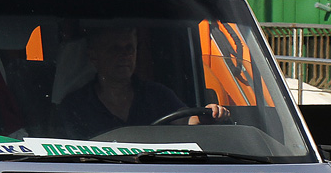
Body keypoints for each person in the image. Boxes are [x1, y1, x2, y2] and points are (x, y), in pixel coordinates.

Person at [55, 25, 227, 138]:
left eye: (129, 48)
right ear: (94, 56)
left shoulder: (157, 95)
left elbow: (186, 120)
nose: (125, 55)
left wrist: (205, 116)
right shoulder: (75, 105)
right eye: (115, 49)